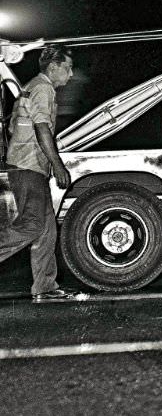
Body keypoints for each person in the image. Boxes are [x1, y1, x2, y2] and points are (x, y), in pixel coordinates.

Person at [0, 45, 83, 302]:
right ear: (53, 67)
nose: (70, 74)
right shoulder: (43, 88)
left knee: (47, 230)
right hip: (28, 167)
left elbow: (16, 127)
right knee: (33, 225)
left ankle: (45, 287)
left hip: (29, 165)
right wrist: (57, 165)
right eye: (67, 68)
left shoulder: (32, 86)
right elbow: (42, 128)